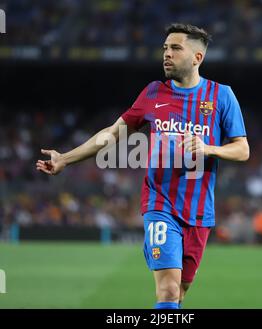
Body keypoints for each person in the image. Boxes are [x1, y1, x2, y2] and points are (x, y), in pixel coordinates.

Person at [36, 23, 250, 309]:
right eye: (165, 48)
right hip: (159, 204)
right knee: (169, 290)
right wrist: (65, 158)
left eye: (175, 48)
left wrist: (209, 148)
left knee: (180, 292)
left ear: (197, 57)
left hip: (200, 212)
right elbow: (112, 133)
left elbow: (242, 149)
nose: (167, 54)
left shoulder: (222, 96)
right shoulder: (152, 93)